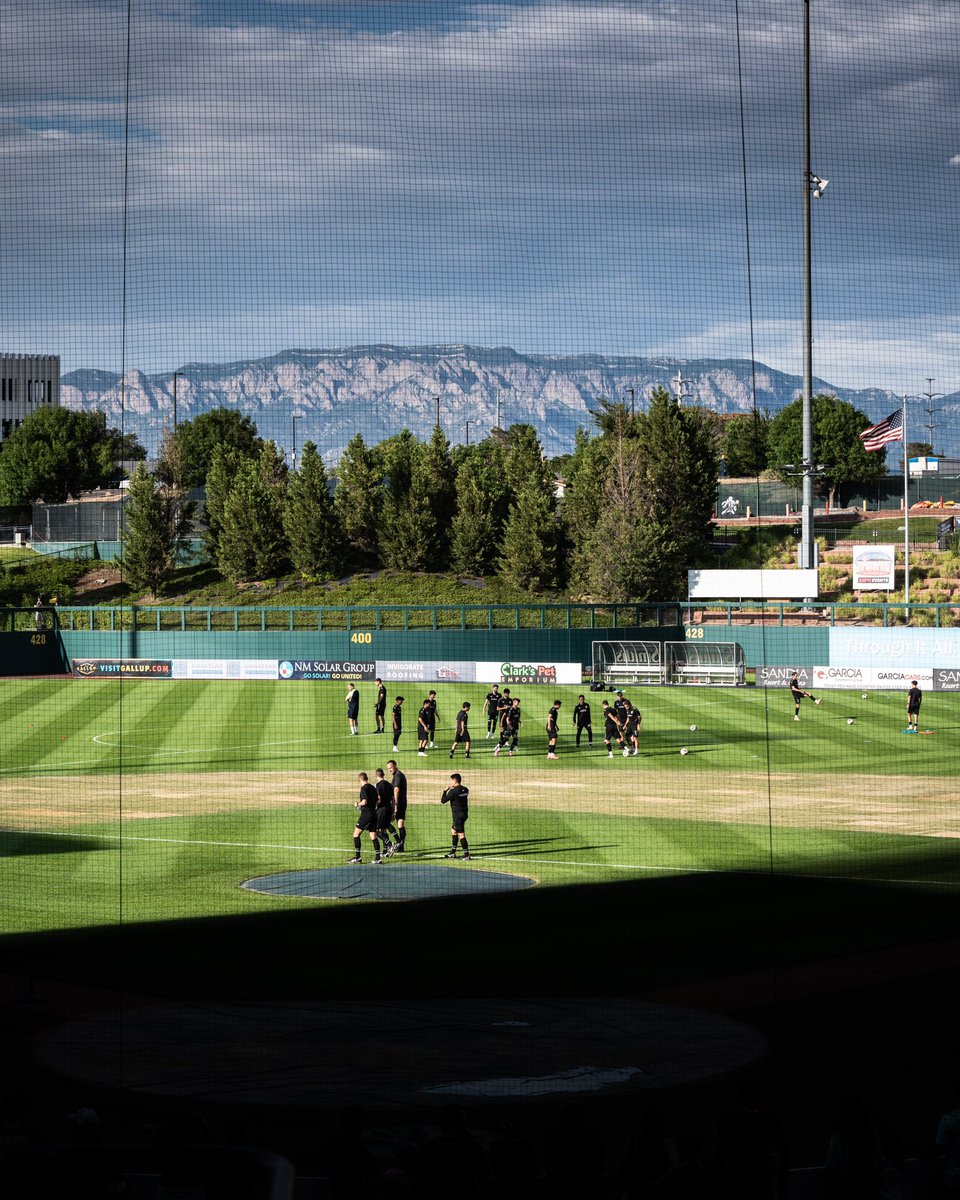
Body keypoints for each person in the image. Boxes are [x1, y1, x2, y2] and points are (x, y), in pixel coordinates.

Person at [347, 772, 383, 864]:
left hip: (366, 814)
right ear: (367, 778)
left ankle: (358, 857)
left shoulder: (364, 788)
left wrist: (357, 804)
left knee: (356, 834)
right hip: (374, 814)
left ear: (359, 780)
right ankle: (378, 858)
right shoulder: (372, 787)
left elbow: (364, 802)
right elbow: (377, 801)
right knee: (373, 836)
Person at [441, 772, 471, 860]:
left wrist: (445, 791)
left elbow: (443, 801)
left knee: (461, 834)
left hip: (458, 816)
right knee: (453, 830)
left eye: (451, 780)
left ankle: (467, 854)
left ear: (454, 781)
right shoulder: (465, 789)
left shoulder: (453, 792)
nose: (450, 782)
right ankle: (453, 852)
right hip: (464, 814)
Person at [374, 768, 398, 855]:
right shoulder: (389, 785)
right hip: (389, 809)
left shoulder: (378, 785)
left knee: (374, 830)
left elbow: (379, 799)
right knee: (384, 830)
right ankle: (385, 852)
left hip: (381, 810)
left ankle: (390, 844)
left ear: (376, 776)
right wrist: (393, 811)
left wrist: (374, 804)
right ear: (383, 774)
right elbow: (393, 799)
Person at [388, 759, 408, 852]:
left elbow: (396, 790)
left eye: (391, 768)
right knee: (400, 822)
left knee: (386, 822)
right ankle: (401, 845)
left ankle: (399, 843)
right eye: (388, 768)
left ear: (395, 766)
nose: (389, 770)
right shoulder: (399, 775)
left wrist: (395, 804)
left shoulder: (398, 776)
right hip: (402, 802)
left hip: (398, 803)